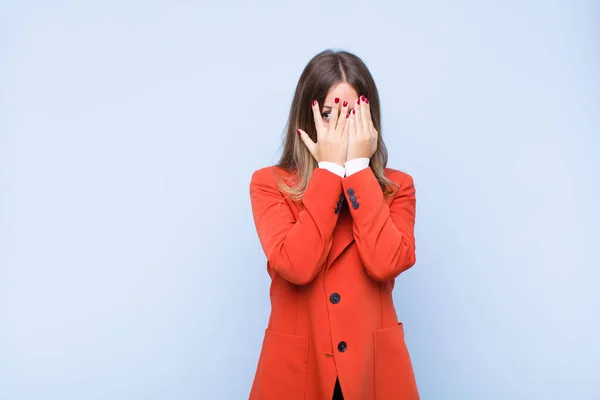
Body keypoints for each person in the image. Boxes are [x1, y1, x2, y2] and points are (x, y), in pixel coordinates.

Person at [248, 49, 419, 400]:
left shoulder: (398, 187)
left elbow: (387, 262)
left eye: (353, 114)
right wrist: (327, 173)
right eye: (328, 115)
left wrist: (357, 169)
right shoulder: (269, 184)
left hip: (375, 374)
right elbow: (296, 265)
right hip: (299, 375)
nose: (340, 127)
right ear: (307, 118)